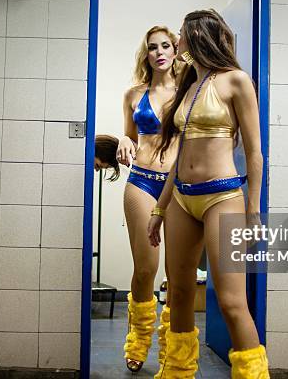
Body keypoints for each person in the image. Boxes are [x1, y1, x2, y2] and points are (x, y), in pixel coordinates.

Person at [148, 10, 270, 378]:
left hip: (223, 196)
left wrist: (253, 210)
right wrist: (160, 206)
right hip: (181, 198)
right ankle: (177, 372)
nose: (178, 41)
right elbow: (180, 154)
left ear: (199, 36)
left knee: (232, 302)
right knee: (179, 293)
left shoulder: (235, 81)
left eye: (181, 34)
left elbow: (254, 152)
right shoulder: (189, 83)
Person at [116, 26, 181, 373]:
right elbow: (129, 134)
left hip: (179, 188)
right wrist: (124, 141)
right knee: (146, 269)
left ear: (175, 50)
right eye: (152, 47)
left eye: (165, 45)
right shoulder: (133, 93)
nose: (159, 51)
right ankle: (138, 341)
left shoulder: (189, 91)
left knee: (175, 274)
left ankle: (172, 350)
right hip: (141, 181)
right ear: (147, 53)